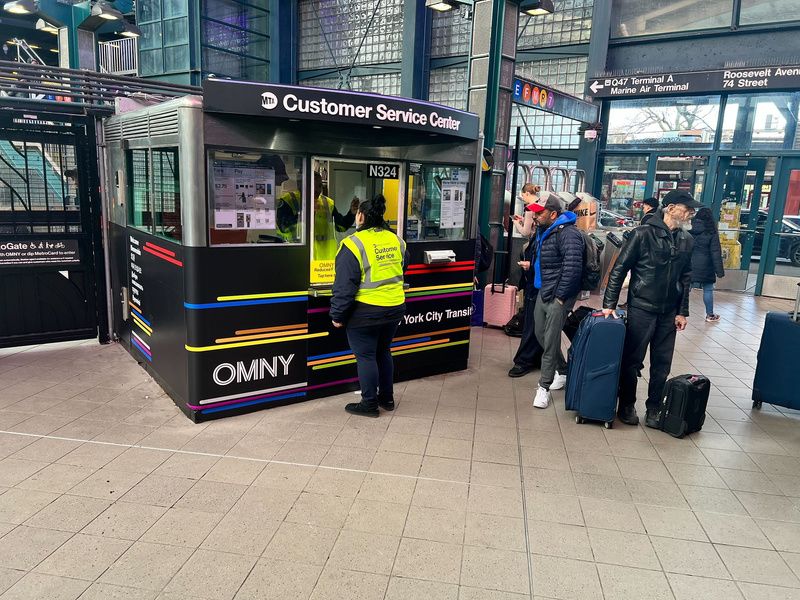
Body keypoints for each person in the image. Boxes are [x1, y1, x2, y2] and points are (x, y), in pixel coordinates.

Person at [602, 189, 700, 427]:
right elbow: (619, 269)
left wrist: (682, 311)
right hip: (642, 308)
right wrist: (609, 305)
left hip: (668, 312)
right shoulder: (642, 234)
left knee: (662, 365)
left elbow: (686, 278)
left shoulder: (687, 240)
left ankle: (654, 408)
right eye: (688, 209)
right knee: (632, 361)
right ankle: (626, 405)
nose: (691, 214)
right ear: (671, 207)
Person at [331, 195, 407, 417]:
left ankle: (369, 404)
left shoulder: (353, 244)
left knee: (365, 356)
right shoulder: (396, 240)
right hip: (394, 307)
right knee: (383, 351)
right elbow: (404, 267)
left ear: (361, 216)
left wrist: (337, 314)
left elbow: (345, 285)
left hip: (366, 311)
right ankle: (387, 398)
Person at [528, 191, 584, 408]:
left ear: (553, 214)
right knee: (540, 333)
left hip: (558, 295)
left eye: (539, 213)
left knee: (550, 340)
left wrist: (561, 297)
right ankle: (564, 370)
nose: (535, 216)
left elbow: (573, 267)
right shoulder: (544, 230)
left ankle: (543, 387)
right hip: (544, 290)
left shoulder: (568, 234)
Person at [312, 171, 360, 260]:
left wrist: (351, 213)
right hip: (303, 258)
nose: (317, 190)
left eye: (319, 186)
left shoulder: (328, 203)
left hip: (325, 263)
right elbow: (286, 228)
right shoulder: (294, 201)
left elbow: (341, 226)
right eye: (313, 185)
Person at [690, 207, 725, 322]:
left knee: (686, 288)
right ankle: (710, 315)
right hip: (706, 265)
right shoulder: (711, 232)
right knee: (708, 290)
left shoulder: (690, 229)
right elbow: (715, 253)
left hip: (690, 263)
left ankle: (675, 311)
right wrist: (719, 271)